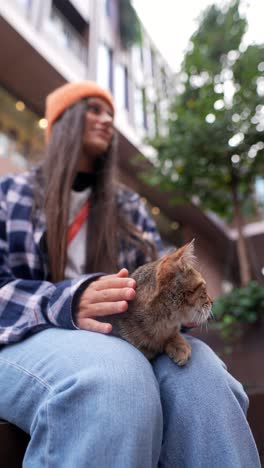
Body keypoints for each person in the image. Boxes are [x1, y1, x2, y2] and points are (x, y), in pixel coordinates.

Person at [0, 80, 260, 468]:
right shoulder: (10, 193)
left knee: (207, 384)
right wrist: (67, 300)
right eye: (93, 109)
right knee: (114, 380)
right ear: (61, 124)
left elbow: (166, 283)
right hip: (25, 335)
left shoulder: (129, 207)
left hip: (129, 339)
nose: (107, 120)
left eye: (111, 113)